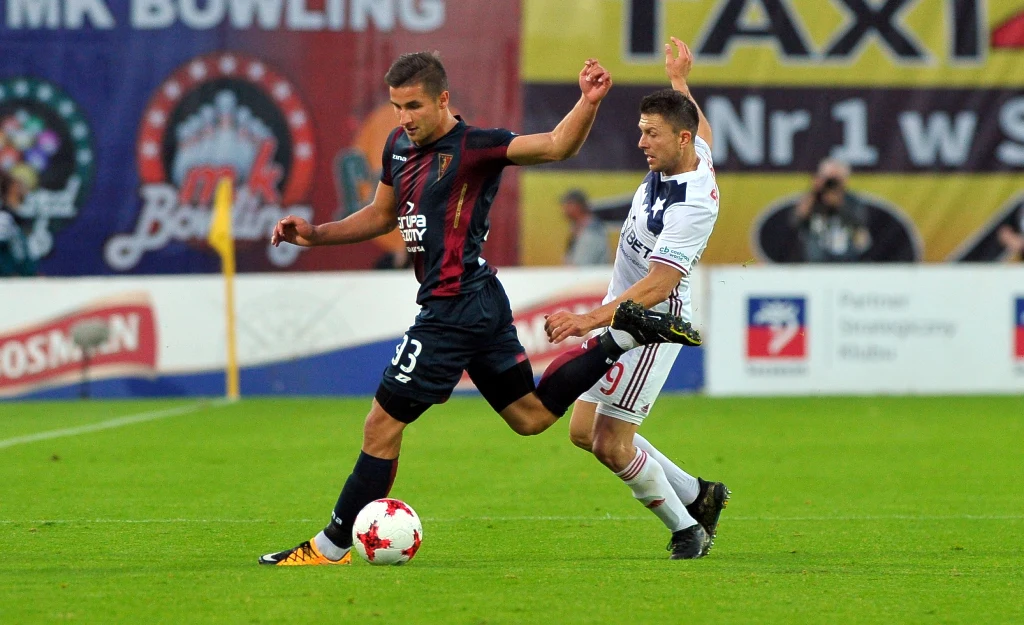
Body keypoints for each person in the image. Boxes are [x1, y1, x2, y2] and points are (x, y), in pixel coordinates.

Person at [259, 51, 702, 566]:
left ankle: (330, 547)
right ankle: (622, 337)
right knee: (530, 417)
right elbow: (381, 215)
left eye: (414, 106)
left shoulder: (475, 147)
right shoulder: (398, 146)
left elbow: (556, 145)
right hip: (479, 299)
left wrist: (587, 102)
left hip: (453, 309)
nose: (404, 117)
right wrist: (316, 235)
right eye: (397, 106)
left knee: (380, 425)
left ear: (443, 100)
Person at [543, 38, 727, 560]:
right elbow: (705, 137)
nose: (642, 142)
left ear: (680, 138)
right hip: (620, 307)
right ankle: (698, 494)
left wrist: (587, 319)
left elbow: (658, 284)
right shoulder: (691, 157)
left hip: (650, 324)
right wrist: (679, 82)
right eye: (641, 131)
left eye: (652, 133)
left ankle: (686, 528)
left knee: (610, 443)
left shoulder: (694, 204)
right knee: (583, 430)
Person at [791, 158, 871, 262]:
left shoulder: (853, 202)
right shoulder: (812, 200)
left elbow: (860, 227)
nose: (831, 184)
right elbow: (795, 221)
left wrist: (840, 203)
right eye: (828, 179)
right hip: (815, 263)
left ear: (844, 180)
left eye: (836, 179)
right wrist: (814, 191)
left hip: (847, 263)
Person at [0, 170, 37, 277]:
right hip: (8, 273)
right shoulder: (4, 216)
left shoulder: (23, 211)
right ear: (11, 188)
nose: (22, 188)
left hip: (21, 270)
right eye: (18, 185)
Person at [561, 189, 610, 265]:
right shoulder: (578, 228)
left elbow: (581, 268)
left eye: (567, 204)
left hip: (592, 276)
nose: (563, 209)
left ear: (577, 206)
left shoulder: (592, 232)